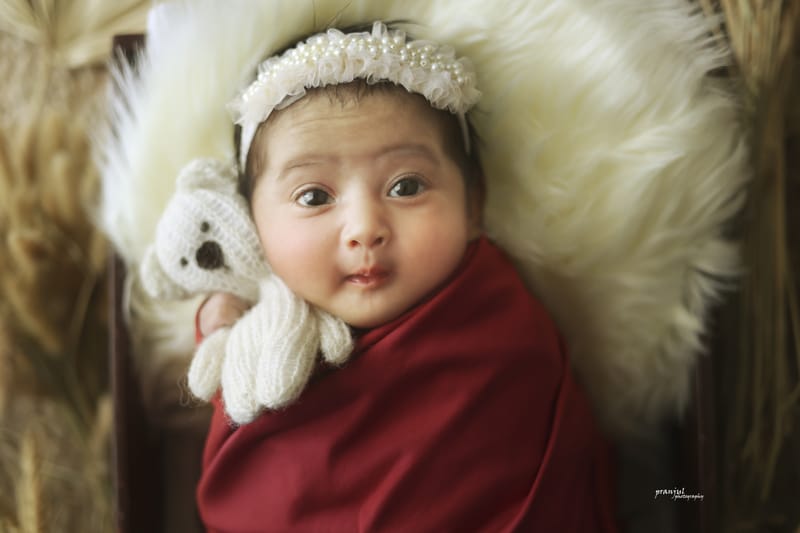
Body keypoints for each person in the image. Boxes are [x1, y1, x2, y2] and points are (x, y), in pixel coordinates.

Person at [194, 22, 618, 532]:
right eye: (314, 197)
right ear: (253, 224)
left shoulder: (500, 333)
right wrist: (218, 325)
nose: (365, 228)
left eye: (407, 186)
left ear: (473, 205)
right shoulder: (259, 331)